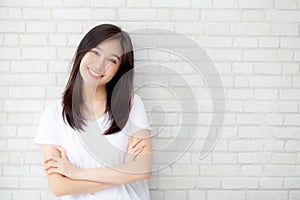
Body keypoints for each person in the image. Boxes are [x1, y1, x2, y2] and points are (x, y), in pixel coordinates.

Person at [34, 24, 152, 200]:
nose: (99, 65)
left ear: (120, 69)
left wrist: (77, 173)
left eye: (112, 60)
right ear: (82, 52)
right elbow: (59, 187)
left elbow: (143, 169)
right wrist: (125, 171)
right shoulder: (54, 114)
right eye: (95, 52)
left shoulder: (132, 106)